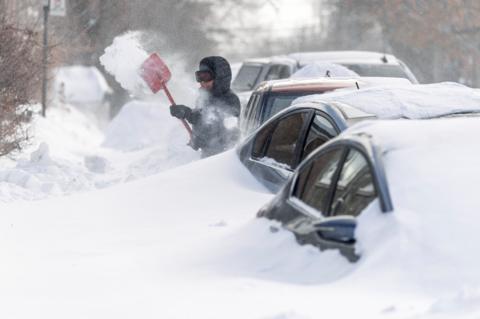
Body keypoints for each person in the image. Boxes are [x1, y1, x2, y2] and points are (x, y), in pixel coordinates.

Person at [169, 56, 241, 158]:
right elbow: (200, 118)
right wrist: (185, 112)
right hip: (206, 157)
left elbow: (225, 134)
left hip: (222, 160)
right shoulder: (204, 98)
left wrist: (202, 141)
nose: (202, 82)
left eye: (206, 77)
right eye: (199, 77)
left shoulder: (230, 100)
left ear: (219, 77)